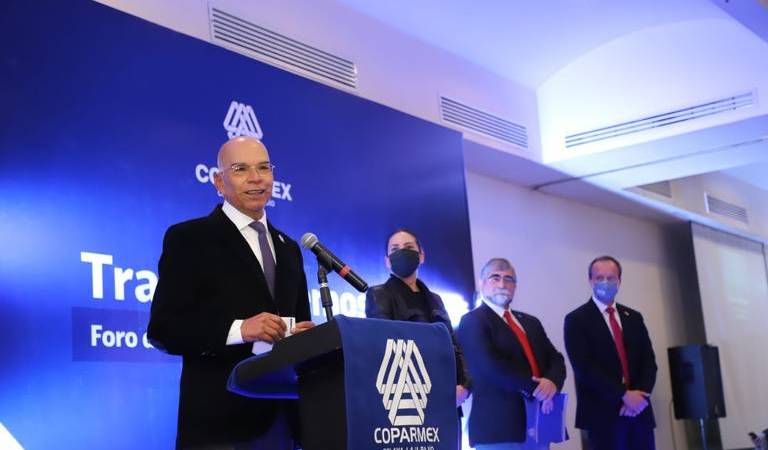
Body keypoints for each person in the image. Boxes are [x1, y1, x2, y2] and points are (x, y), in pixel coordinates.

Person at [147, 136, 315, 449]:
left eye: (264, 168)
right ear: (218, 182)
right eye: (240, 169)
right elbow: (164, 329)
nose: (256, 178)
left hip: (284, 422)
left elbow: (297, 323)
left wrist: (302, 337)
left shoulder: (290, 249)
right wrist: (240, 330)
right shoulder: (190, 238)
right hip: (219, 424)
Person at [456, 258, 566, 450]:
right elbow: (490, 368)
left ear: (515, 286)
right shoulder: (473, 320)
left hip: (540, 422)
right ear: (482, 284)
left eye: (508, 279)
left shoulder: (531, 322)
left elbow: (556, 359)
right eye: (495, 277)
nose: (502, 284)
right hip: (499, 427)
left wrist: (552, 383)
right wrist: (538, 389)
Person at [365, 228, 471, 407]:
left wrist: (465, 386)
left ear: (421, 256)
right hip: (410, 398)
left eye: (408, 247)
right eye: (395, 249)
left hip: (448, 394)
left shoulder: (435, 299)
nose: (402, 252)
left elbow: (454, 345)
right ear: (387, 261)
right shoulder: (378, 295)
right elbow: (386, 346)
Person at [564, 256, 657, 450]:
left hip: (639, 413)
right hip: (602, 417)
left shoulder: (634, 317)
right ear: (590, 281)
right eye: (599, 278)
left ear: (619, 281)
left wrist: (640, 398)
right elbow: (584, 368)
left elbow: (649, 362)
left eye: (611, 277)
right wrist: (623, 395)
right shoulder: (576, 319)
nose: (605, 282)